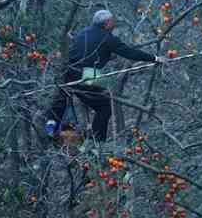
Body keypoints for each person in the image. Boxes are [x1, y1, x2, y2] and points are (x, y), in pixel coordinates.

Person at [46, 10, 165, 143]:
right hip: (87, 75)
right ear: (107, 23)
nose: (113, 23)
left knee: (61, 102)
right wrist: (154, 58)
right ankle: (96, 141)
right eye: (112, 21)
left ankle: (51, 126)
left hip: (67, 74)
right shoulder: (108, 38)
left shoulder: (81, 33)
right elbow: (130, 53)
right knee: (105, 106)